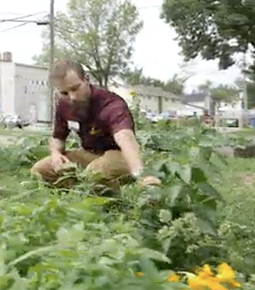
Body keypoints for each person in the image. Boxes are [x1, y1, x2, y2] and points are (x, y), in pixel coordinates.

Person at [31, 59, 161, 193]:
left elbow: (125, 137)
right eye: (64, 93)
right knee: (41, 169)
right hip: (87, 153)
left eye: (75, 88)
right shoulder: (64, 105)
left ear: (86, 79)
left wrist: (142, 175)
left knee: (95, 172)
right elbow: (58, 137)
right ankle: (79, 196)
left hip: (119, 155)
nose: (72, 97)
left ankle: (112, 202)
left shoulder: (110, 104)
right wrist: (56, 154)